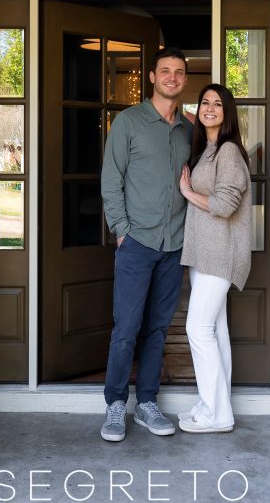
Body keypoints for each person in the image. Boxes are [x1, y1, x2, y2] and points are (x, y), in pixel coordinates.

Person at [99, 46, 193, 442]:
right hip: (137, 242)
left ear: (184, 79)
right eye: (165, 71)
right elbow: (111, 179)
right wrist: (122, 229)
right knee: (127, 327)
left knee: (157, 328)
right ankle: (116, 404)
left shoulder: (189, 129)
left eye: (179, 72)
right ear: (152, 77)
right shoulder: (129, 122)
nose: (172, 77)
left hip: (175, 244)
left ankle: (147, 403)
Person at [177, 83, 252, 434]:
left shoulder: (229, 152)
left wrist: (188, 192)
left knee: (198, 328)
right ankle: (216, 406)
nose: (209, 108)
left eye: (217, 104)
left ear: (227, 112)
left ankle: (216, 415)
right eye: (205, 102)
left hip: (220, 253)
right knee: (216, 329)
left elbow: (223, 205)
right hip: (204, 253)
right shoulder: (207, 148)